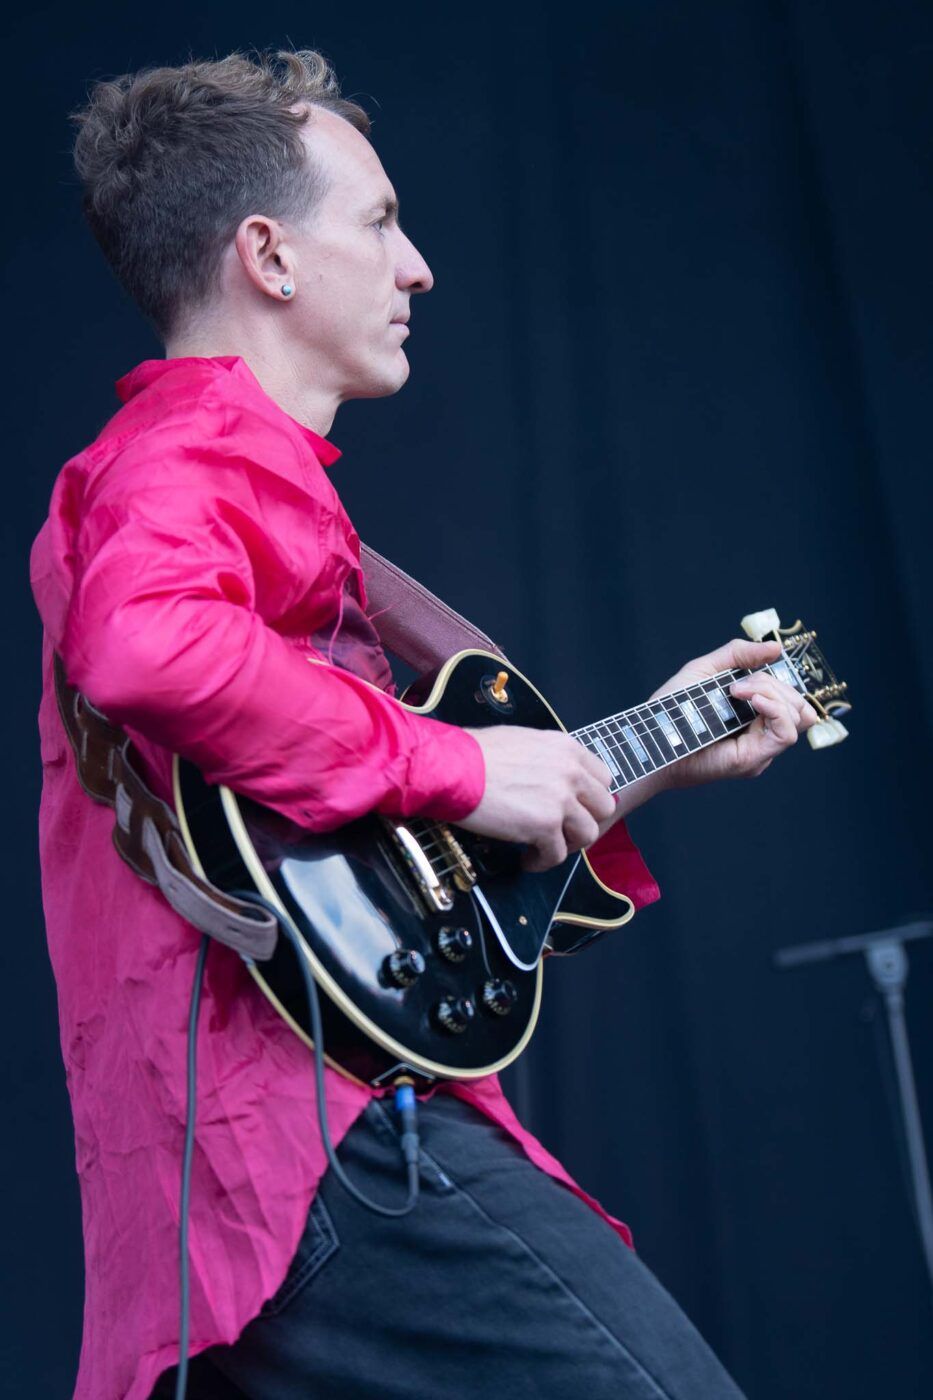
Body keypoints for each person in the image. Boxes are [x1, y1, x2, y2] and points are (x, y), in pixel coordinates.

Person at [31, 49, 816, 1400]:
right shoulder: (192, 458)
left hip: (259, 1182)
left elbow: (379, 867)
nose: (419, 269)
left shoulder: (230, 486)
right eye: (382, 222)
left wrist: (656, 747)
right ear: (268, 256)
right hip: (314, 1145)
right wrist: (456, 761)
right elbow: (144, 647)